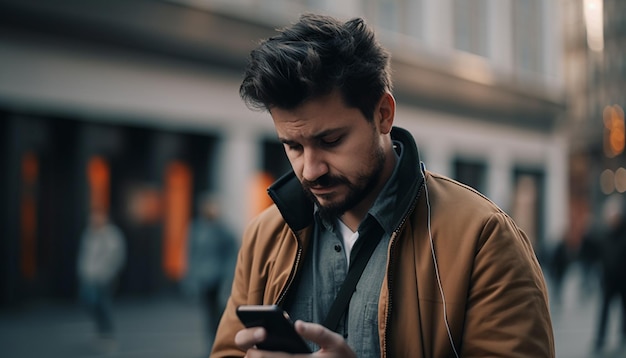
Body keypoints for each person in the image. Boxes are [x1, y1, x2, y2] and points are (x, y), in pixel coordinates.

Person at [212, 13, 554, 357]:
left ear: (383, 114)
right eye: (293, 147)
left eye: (331, 140)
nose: (311, 170)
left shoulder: (482, 237)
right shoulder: (264, 237)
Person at [184, 192, 238, 354]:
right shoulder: (196, 228)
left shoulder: (223, 230)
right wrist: (190, 276)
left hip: (218, 278)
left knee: (219, 314)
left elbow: (230, 254)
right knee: (208, 315)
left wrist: (228, 277)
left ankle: (219, 344)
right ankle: (212, 345)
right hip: (203, 278)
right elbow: (191, 254)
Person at [76, 209, 126, 344]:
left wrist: (109, 273)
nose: (94, 220)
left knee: (103, 304)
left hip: (103, 277)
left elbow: (116, 256)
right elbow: (85, 255)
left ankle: (106, 332)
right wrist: (82, 271)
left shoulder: (111, 235)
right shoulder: (89, 233)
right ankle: (101, 329)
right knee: (89, 302)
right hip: (89, 275)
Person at [593, 194, 626, 353]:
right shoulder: (604, 235)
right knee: (604, 311)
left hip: (622, 279)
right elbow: (599, 256)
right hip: (608, 280)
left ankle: (623, 335)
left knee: (624, 310)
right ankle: (600, 339)